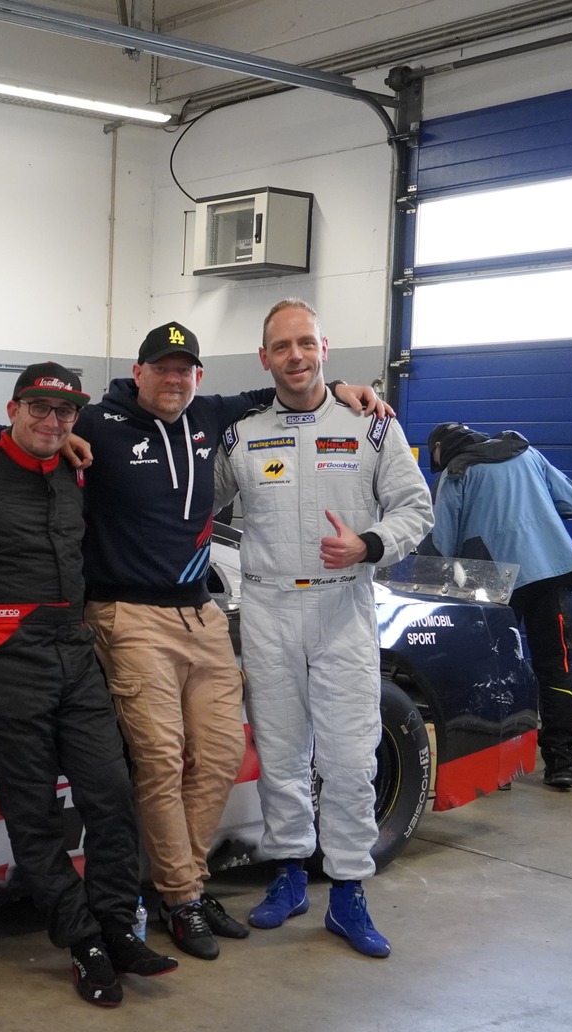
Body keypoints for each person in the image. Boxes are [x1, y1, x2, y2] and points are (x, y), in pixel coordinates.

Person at [78, 322, 391, 960]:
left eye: (185, 369)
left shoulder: (227, 417)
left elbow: (296, 392)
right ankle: (200, 893)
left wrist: (343, 389)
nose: (174, 379)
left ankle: (300, 889)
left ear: (199, 376)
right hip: (148, 612)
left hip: (235, 610)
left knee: (243, 755)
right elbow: (25, 440)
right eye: (161, 368)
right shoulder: (100, 425)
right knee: (191, 759)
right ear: (138, 372)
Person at [0, 362, 179, 1007]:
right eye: (39, 408)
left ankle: (117, 926)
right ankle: (82, 941)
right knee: (34, 813)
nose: (52, 421)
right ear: (13, 409)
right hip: (3, 657)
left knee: (111, 792)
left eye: (64, 412)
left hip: (74, 650)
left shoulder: (79, 471)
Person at [214, 300, 431, 958]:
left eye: (306, 343)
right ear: (264, 358)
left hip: (343, 608)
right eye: (282, 346)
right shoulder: (242, 436)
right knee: (281, 756)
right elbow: (195, 504)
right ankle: (288, 874)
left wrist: (368, 545)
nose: (296, 356)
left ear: (325, 347)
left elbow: (415, 508)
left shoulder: (371, 425)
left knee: (349, 759)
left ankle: (347, 891)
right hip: (269, 608)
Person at [425, 422, 572, 791]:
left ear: (441, 448)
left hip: (496, 584)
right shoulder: (527, 454)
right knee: (556, 670)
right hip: (551, 572)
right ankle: (561, 763)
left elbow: (440, 545)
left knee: (497, 672)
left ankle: (501, 768)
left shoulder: (457, 472)